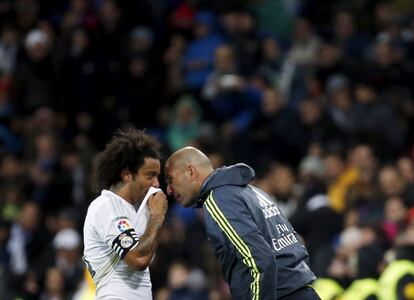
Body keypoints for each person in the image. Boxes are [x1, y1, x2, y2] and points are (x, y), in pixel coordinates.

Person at [165, 146, 320, 299]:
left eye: (170, 179)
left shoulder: (218, 199)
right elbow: (296, 244)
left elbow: (260, 261)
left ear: (191, 172)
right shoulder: (252, 191)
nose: (169, 190)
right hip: (303, 291)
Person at [83, 128, 168, 299]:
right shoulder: (106, 207)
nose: (157, 184)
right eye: (150, 176)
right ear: (127, 175)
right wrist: (157, 217)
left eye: (157, 176)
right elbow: (138, 260)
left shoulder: (132, 210)